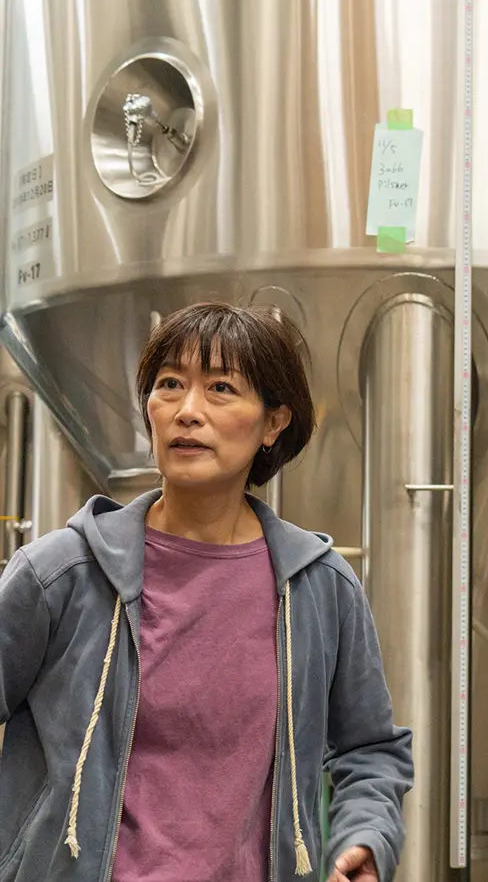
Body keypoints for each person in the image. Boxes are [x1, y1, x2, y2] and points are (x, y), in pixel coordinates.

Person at [0, 302, 413, 882]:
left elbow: (370, 750)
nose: (187, 411)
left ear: (273, 424)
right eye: (170, 384)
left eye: (220, 388)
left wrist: (365, 837)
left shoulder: (318, 588)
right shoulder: (62, 574)